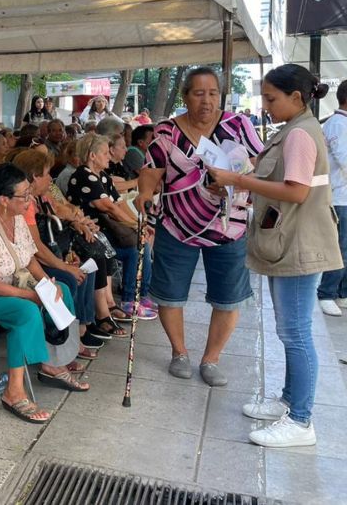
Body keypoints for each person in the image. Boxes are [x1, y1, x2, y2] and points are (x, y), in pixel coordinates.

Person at [208, 64, 340, 448]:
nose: (265, 106)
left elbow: (295, 191)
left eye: (271, 98)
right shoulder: (298, 129)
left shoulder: (299, 134)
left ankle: (301, 420)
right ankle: (289, 400)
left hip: (298, 242)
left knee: (295, 332)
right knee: (291, 331)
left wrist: (236, 180)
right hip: (293, 238)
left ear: (296, 98)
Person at [134, 66, 263, 387]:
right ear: (185, 96)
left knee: (229, 296)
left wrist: (238, 181)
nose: (207, 101)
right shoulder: (166, 131)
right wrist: (145, 196)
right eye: (199, 93)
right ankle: (179, 352)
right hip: (176, 226)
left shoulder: (238, 124)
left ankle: (211, 358)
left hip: (229, 226)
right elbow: (151, 172)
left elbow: (260, 167)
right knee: (170, 293)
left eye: (213, 93)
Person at [0, 164, 88, 425]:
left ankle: (53, 364)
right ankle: (13, 392)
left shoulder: (17, 215)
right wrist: (32, 296)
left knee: (63, 291)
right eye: (24, 195)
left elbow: (27, 259)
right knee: (25, 311)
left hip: (7, 281)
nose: (29, 199)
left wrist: (48, 283)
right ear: (3, 199)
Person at [12, 149, 101, 358]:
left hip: (42, 256)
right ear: (35, 176)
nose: (51, 178)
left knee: (85, 270)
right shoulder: (26, 204)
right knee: (70, 279)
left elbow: (56, 229)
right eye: (47, 173)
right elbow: (36, 248)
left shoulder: (40, 198)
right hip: (27, 263)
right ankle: (63, 337)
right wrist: (64, 266)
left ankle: (81, 329)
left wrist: (66, 258)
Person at [68, 133, 156, 328]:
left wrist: (140, 224)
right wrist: (135, 225)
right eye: (106, 153)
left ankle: (136, 296)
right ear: (92, 156)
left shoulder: (103, 176)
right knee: (134, 249)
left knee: (142, 242)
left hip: (106, 230)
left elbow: (119, 203)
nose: (109, 156)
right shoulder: (84, 175)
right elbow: (107, 206)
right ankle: (129, 299)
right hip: (87, 231)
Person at [317, 80, 347, 316]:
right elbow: (344, 161)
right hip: (338, 197)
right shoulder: (337, 125)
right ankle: (327, 292)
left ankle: (341, 292)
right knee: (340, 248)